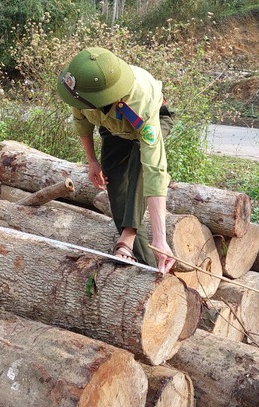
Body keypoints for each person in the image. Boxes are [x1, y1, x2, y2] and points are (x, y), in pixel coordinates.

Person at [56, 46, 175, 273]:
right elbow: (82, 121)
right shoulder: (81, 87)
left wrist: (160, 237)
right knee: (116, 188)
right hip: (112, 127)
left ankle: (131, 240)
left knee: (139, 163)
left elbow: (154, 169)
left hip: (149, 121)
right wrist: (92, 161)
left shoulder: (142, 103)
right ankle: (144, 263)